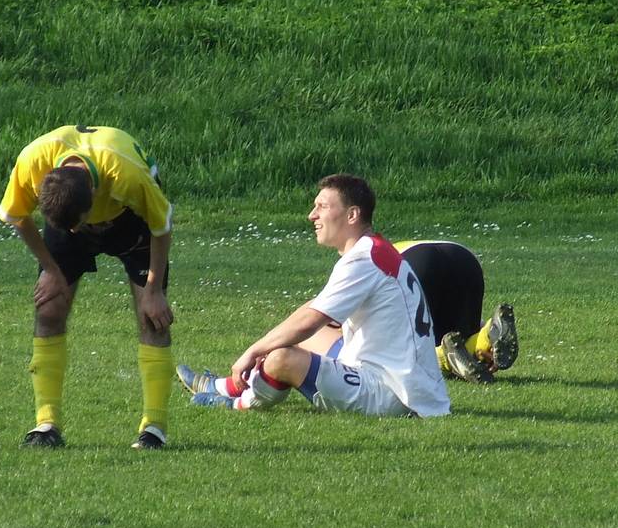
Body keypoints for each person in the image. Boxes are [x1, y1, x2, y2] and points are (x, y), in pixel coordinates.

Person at [177, 174, 449, 418]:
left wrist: (254, 351)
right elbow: (313, 309)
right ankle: (231, 386)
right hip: (409, 380)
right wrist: (267, 343)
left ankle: (239, 402)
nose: (312, 215)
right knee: (297, 337)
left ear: (352, 215)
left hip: (394, 394)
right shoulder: (373, 249)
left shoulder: (363, 259)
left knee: (282, 357)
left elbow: (310, 321)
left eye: (322, 207)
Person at [0, 125, 175, 450]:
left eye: (79, 224)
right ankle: (46, 424)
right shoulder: (33, 161)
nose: (76, 231)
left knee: (152, 318)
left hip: (130, 220)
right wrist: (50, 269)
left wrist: (154, 291)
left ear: (95, 194)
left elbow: (161, 226)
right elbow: (15, 215)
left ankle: (154, 428)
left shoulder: (126, 175)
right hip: (69, 209)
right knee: (48, 309)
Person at [393, 240, 518, 384]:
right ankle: (486, 336)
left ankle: (445, 358)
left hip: (413, 264)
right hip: (462, 257)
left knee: (398, 357)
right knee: (462, 342)